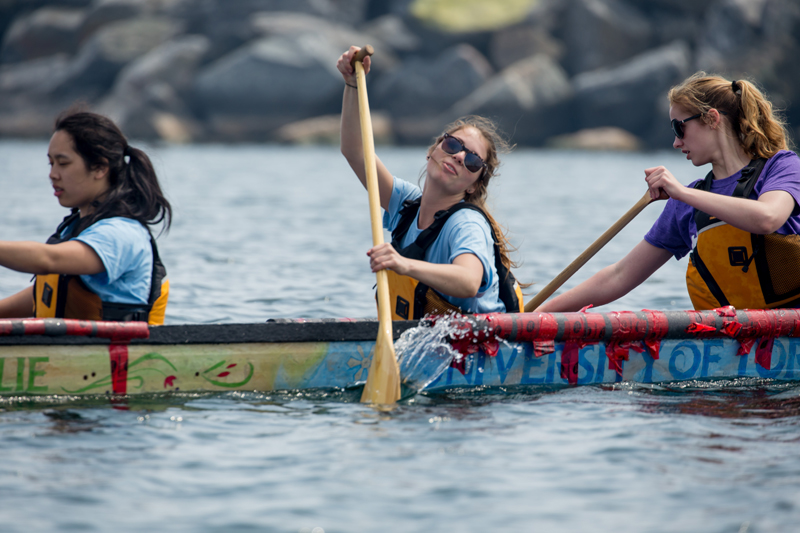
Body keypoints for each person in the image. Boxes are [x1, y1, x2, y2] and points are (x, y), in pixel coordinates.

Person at [538, 72, 800, 312]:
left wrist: (683, 193)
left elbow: (767, 217)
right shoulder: (685, 203)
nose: (676, 142)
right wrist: (535, 317)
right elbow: (619, 275)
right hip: (731, 348)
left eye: (679, 127)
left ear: (712, 119)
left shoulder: (782, 167)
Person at [336, 46, 523, 319]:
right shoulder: (407, 204)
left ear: (473, 185)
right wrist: (352, 84)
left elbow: (469, 281)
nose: (459, 156)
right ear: (432, 150)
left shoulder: (466, 224)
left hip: (480, 349)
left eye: (472, 161)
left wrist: (404, 265)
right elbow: (355, 151)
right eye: (452, 144)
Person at [0, 110, 172, 324]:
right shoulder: (75, 228)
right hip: (60, 349)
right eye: (51, 163)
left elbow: (48, 259)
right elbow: (49, 292)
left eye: (63, 163)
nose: (53, 174)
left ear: (99, 168)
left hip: (115, 354)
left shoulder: (121, 234)